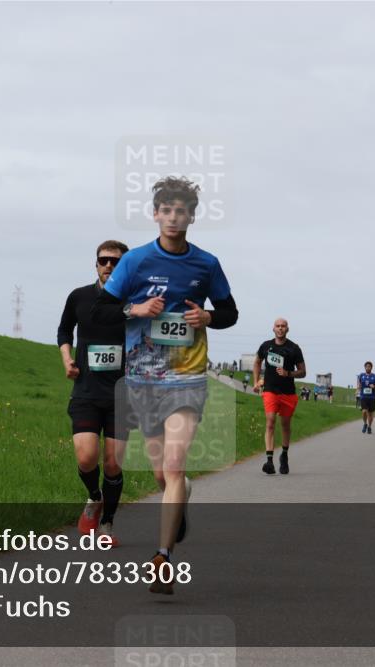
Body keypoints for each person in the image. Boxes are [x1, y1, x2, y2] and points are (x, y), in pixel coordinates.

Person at [92, 176, 238, 594]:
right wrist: (136, 308)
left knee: (173, 466)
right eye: (167, 210)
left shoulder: (206, 264)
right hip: (143, 379)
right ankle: (180, 498)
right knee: (163, 475)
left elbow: (230, 312)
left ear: (192, 216)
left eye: (182, 211)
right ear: (156, 214)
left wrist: (209, 317)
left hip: (188, 377)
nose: (174, 217)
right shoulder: (135, 261)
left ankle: (163, 558)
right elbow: (103, 310)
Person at [57, 240, 131, 546]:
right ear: (96, 264)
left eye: (116, 261)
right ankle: (94, 496)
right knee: (87, 457)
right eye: (104, 260)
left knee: (113, 463)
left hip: (122, 394)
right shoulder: (79, 297)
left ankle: (107, 525)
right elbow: (64, 331)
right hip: (86, 390)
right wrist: (67, 359)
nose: (109, 266)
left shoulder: (134, 302)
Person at [253, 318, 306, 475]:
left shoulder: (294, 348)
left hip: (288, 392)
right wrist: (256, 382)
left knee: (285, 424)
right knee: (270, 421)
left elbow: (303, 372)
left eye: (283, 326)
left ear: (287, 329)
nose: (280, 328)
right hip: (270, 390)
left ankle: (284, 455)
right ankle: (269, 461)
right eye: (278, 326)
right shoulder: (266, 346)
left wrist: (288, 373)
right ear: (273, 329)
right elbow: (257, 362)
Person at [356, 361, 375, 434]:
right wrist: (357, 389)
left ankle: (369, 426)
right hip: (363, 396)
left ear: (371, 368)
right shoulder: (361, 375)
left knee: (370, 414)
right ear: (365, 367)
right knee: (364, 411)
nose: (368, 368)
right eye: (366, 366)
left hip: (372, 397)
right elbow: (359, 385)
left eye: (369, 366)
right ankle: (365, 423)